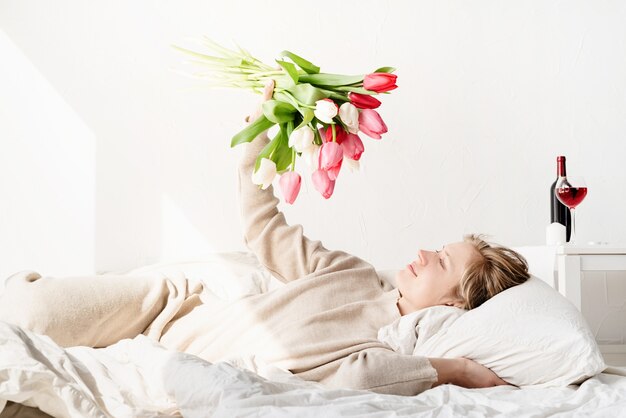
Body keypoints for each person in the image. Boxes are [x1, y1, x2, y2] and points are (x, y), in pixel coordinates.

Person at [0, 81, 530, 397]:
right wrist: (254, 151)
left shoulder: (394, 347)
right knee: (26, 310)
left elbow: (363, 380)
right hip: (163, 310)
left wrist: (455, 369)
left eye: (439, 260)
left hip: (162, 359)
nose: (421, 253)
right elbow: (265, 230)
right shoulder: (354, 272)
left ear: (456, 302)